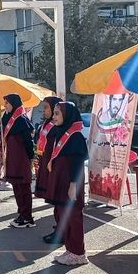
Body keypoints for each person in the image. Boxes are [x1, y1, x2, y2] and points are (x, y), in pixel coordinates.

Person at [48, 102, 89, 265]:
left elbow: (78, 162)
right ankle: (70, 249)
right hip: (62, 181)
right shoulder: (62, 132)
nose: (54, 117)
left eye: (57, 113)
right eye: (54, 113)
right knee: (63, 215)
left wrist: (73, 185)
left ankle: (78, 253)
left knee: (73, 217)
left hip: (70, 182)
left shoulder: (76, 136)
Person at [2, 94, 36, 228]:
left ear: (14, 103)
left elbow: (28, 142)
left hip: (21, 159)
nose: (5, 106)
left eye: (7, 103)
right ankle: (22, 214)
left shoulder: (21, 120)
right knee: (16, 187)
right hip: (13, 159)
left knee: (23, 188)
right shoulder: (10, 118)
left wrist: (31, 156)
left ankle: (27, 217)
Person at [33, 96, 63, 243]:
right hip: (47, 164)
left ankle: (61, 232)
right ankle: (59, 229)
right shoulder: (46, 124)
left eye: (46, 108)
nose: (43, 110)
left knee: (60, 201)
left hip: (56, 169)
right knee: (56, 202)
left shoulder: (58, 129)